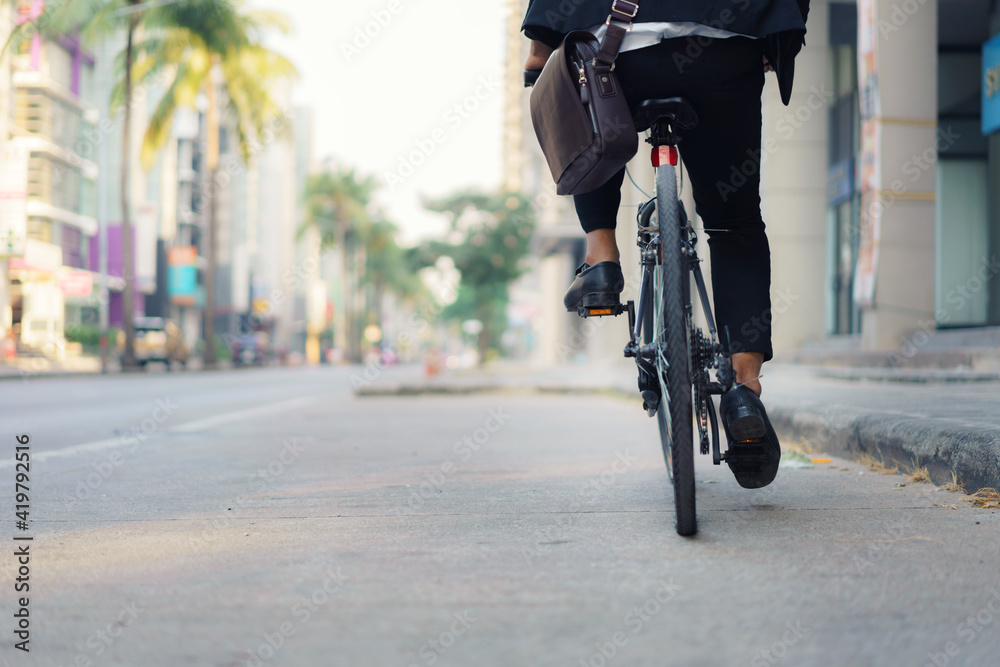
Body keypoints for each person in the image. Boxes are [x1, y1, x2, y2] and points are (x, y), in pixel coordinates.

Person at [522, 0, 809, 488]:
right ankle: (745, 389)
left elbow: (541, 52)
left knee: (583, 103)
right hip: (722, 49)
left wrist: (539, 48)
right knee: (734, 224)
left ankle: (602, 256)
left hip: (617, 52)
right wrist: (776, 34)